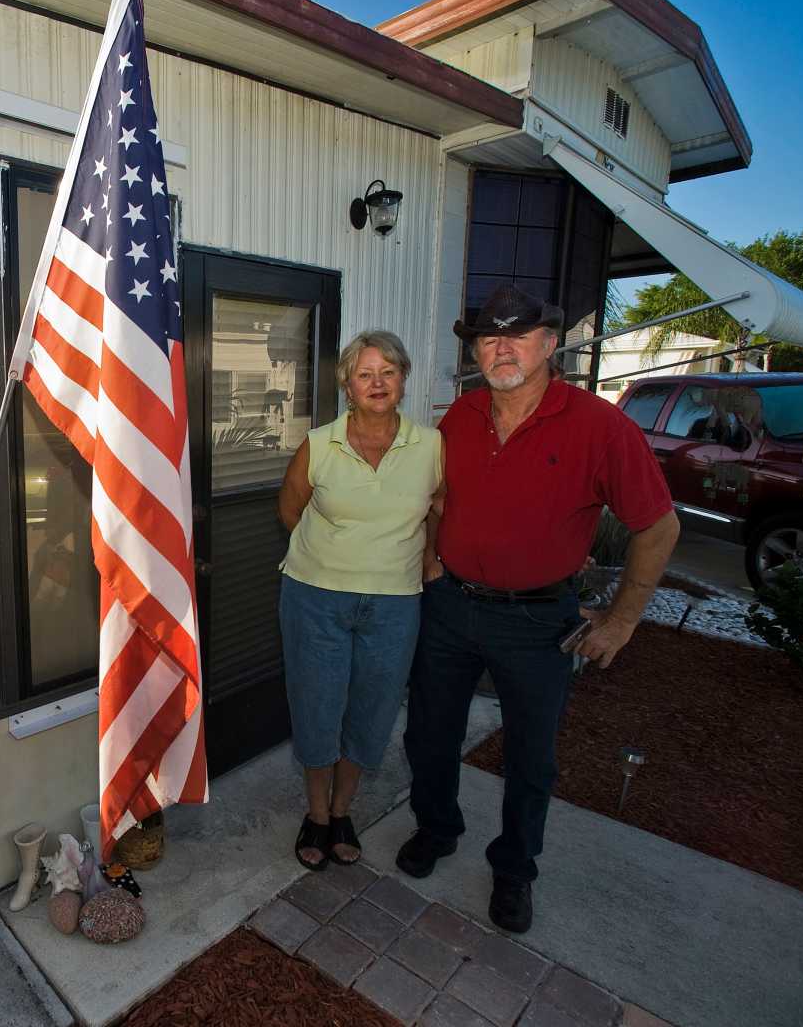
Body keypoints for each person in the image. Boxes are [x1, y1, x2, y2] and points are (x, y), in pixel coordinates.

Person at [400, 284, 678, 932]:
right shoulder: (461, 414)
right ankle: (437, 829)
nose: (502, 349)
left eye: (518, 336)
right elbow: (438, 497)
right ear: (475, 350)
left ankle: (515, 868)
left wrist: (622, 620)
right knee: (429, 734)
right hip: (450, 607)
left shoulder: (600, 426)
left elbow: (658, 526)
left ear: (550, 344)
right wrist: (430, 554)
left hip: (536, 621)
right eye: (489, 338)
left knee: (530, 756)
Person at [277, 331, 443, 870]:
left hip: (395, 603)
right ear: (347, 385)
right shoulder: (319, 443)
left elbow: (440, 508)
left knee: (373, 712)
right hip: (315, 598)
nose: (377, 383)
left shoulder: (432, 447)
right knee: (317, 707)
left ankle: (343, 810)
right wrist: (333, 556)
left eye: (388, 372)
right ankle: (316, 814)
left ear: (403, 380)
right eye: (365, 374)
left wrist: (429, 556)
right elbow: (289, 510)